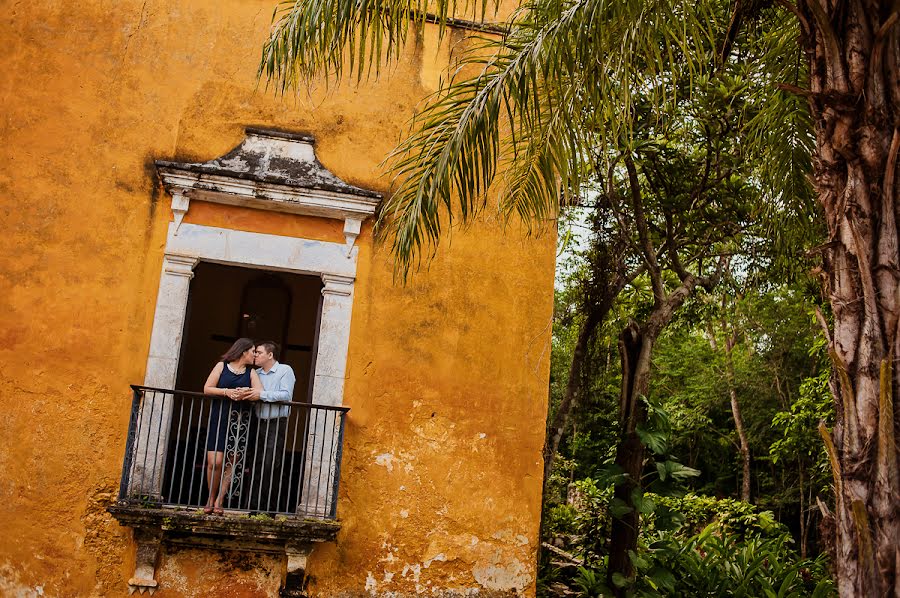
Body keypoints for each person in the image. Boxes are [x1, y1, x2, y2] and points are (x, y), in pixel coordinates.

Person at [202, 338, 262, 515]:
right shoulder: (221, 366)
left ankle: (220, 500)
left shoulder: (251, 373)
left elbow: (258, 393)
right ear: (243, 352)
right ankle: (210, 498)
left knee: (231, 462)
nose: (254, 355)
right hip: (219, 418)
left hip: (239, 423)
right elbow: (207, 388)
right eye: (253, 351)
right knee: (215, 462)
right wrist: (226, 392)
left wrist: (246, 393)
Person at [243, 341, 296, 512]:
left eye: (259, 352)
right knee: (256, 463)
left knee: (270, 464)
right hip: (258, 422)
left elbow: (286, 395)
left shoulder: (285, 370)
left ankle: (267, 508)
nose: (255, 355)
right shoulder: (255, 373)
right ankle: (252, 506)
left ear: (270, 355)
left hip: (276, 423)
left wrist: (261, 394)